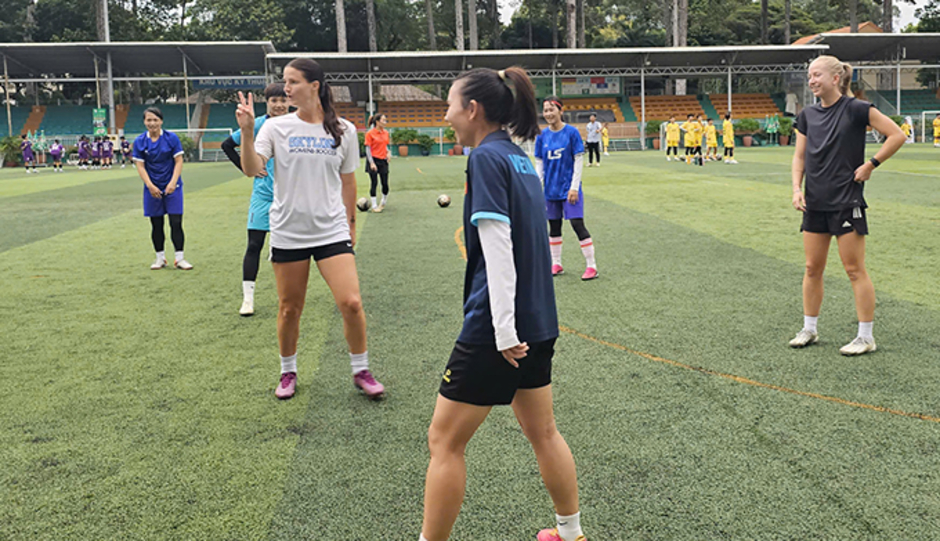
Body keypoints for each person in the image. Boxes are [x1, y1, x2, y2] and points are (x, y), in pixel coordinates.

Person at [420, 65, 587, 541]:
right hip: (539, 321)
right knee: (544, 432)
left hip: (500, 328)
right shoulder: (519, 159)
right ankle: (570, 532)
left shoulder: (486, 159)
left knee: (443, 441)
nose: (447, 114)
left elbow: (498, 246)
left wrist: (503, 330)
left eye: (450, 104)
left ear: (472, 110)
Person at [236, 58, 385, 401]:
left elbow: (349, 183)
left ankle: (361, 369)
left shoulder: (344, 130)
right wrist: (246, 132)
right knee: (290, 308)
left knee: (351, 302)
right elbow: (251, 169)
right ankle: (288, 371)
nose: (285, 88)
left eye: (292, 82)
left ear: (314, 86)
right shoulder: (275, 128)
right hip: (289, 231)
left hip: (332, 231)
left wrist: (351, 226)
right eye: (284, 82)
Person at [789, 55, 905, 356]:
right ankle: (809, 329)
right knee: (812, 267)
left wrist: (871, 164)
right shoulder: (807, 116)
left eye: (817, 75)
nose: (812, 80)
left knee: (854, 269)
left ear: (835, 78)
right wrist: (796, 190)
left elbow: (897, 134)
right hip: (815, 201)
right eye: (810, 75)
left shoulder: (856, 109)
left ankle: (866, 336)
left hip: (847, 200)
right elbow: (800, 157)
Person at [220, 83, 289, 317]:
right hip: (263, 195)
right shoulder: (258, 124)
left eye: (283, 100)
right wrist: (245, 167)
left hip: (290, 197)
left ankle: (288, 297)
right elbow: (227, 145)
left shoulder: (297, 125)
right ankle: (247, 300)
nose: (279, 105)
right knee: (254, 245)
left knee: (293, 249)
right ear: (266, 102)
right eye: (274, 101)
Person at [535, 96, 598, 281]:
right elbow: (539, 163)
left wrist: (574, 187)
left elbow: (578, 160)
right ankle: (556, 263)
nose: (548, 114)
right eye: (545, 110)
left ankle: (592, 266)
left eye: (551, 110)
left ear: (560, 111)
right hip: (550, 190)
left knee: (578, 224)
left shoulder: (571, 133)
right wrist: (536, 186)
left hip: (569, 189)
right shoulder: (542, 135)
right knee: (554, 226)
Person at [132, 107, 193, 271]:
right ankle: (160, 258)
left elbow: (179, 161)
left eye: (155, 120)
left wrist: (173, 182)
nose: (152, 123)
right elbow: (140, 165)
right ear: (144, 122)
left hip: (173, 186)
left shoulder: (171, 138)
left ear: (161, 121)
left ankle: (180, 258)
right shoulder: (140, 141)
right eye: (148, 120)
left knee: (176, 222)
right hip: (152, 188)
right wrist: (150, 185)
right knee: (156, 224)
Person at [364, 113, 391, 212]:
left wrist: (388, 152)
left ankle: (383, 201)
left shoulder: (386, 133)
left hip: (383, 160)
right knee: (374, 182)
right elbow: (368, 149)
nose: (385, 122)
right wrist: (371, 163)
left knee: (385, 184)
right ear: (377, 122)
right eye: (383, 120)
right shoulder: (370, 133)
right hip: (373, 159)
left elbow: (385, 145)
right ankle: (374, 205)